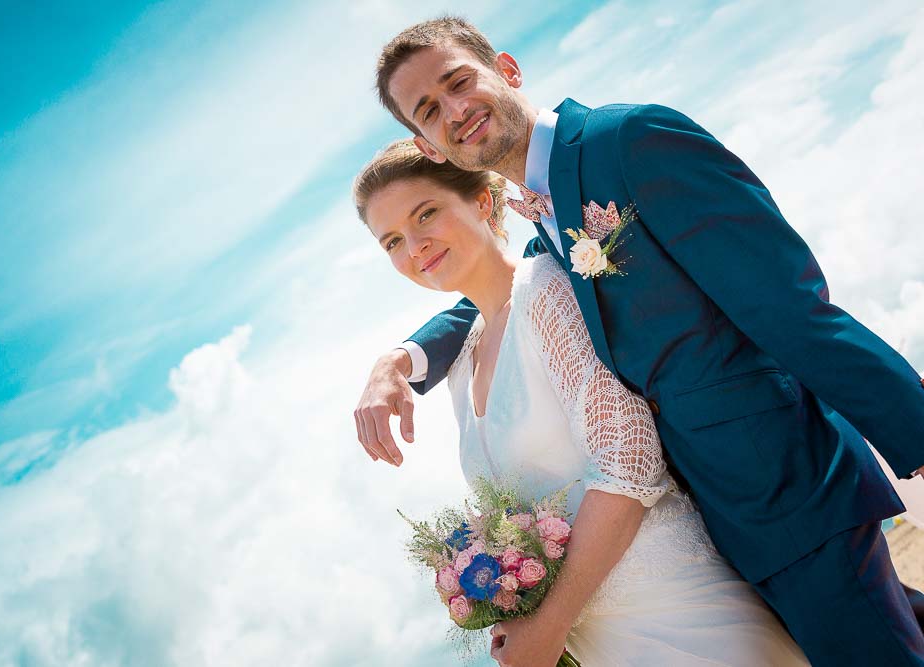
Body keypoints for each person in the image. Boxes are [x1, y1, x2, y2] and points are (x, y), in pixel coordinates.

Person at [353, 16, 924, 667]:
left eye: (460, 81)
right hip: (719, 526)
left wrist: (917, 433)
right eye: (429, 110)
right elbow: (504, 292)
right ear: (428, 144)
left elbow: (792, 306)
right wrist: (399, 360)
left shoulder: (629, 140)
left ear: (508, 70)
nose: (455, 110)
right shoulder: (546, 212)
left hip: (793, 486)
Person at [354, 139, 809, 666]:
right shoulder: (461, 362)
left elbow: (630, 460)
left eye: (425, 213)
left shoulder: (548, 291)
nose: (415, 246)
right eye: (391, 241)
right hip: (597, 643)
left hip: (679, 615)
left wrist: (551, 620)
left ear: (483, 200)